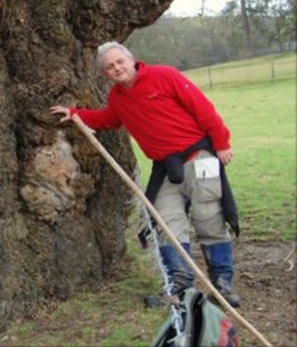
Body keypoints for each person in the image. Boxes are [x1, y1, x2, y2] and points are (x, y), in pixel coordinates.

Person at [50, 41, 241, 307]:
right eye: (110, 67)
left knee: (209, 217)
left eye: (119, 62)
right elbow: (109, 119)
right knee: (165, 224)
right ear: (104, 74)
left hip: (199, 158)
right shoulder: (117, 97)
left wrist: (222, 143)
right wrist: (74, 113)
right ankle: (179, 287)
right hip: (165, 168)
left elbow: (202, 107)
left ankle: (223, 283)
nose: (117, 68)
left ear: (131, 60)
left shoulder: (164, 76)